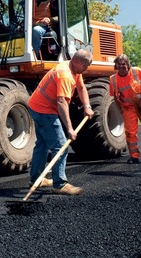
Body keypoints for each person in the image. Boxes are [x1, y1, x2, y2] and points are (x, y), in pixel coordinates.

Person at [28, 49, 95, 195]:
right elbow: (62, 102)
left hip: (36, 106)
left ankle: (36, 179)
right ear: (79, 63)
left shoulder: (74, 69)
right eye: (86, 66)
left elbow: (81, 87)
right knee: (61, 146)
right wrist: (70, 128)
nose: (87, 69)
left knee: (42, 144)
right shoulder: (65, 75)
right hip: (44, 111)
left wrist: (87, 106)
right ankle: (60, 184)